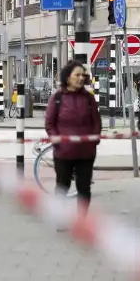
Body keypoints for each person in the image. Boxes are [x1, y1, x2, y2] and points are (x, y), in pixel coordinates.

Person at [44, 61, 102, 207]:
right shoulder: (57, 98)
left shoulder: (89, 98)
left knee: (84, 189)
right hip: (64, 153)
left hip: (86, 153)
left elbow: (96, 122)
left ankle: (82, 222)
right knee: (62, 187)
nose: (81, 78)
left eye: (83, 75)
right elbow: (50, 124)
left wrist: (93, 141)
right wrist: (58, 142)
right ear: (68, 77)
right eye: (77, 75)